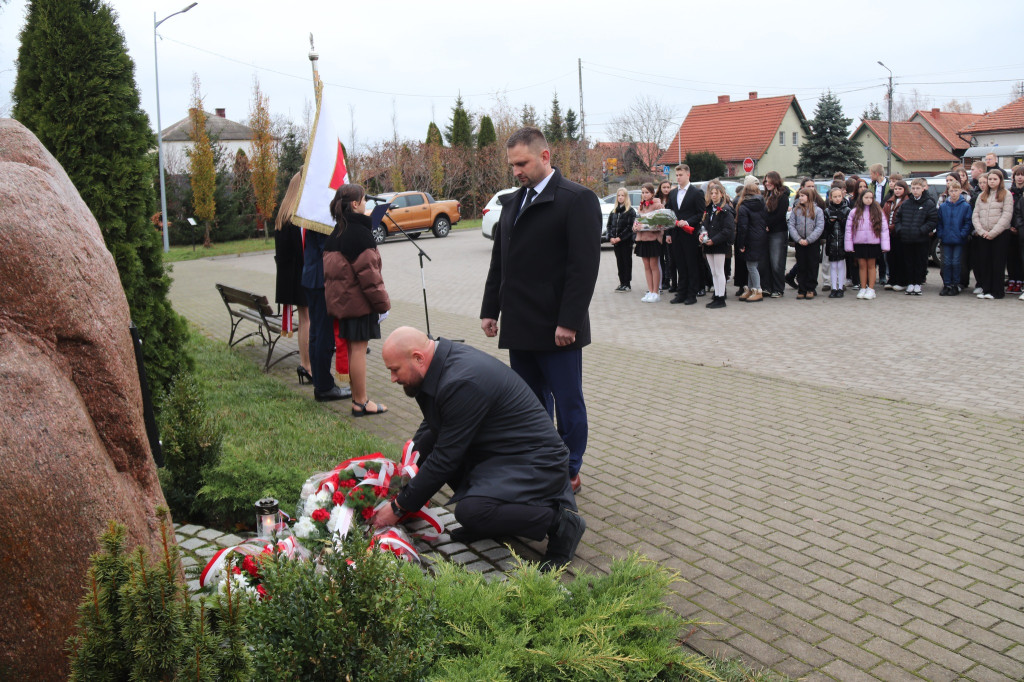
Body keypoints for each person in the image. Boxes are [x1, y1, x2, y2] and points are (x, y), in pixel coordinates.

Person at [373, 327, 585, 571]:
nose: (392, 378)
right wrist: (407, 468)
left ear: (418, 358)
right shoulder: (439, 365)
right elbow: (435, 426)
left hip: (536, 462)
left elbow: (444, 460)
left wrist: (400, 506)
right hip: (504, 452)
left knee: (471, 511)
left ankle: (561, 523)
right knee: (433, 458)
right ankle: (492, 521)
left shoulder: (460, 381)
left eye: (394, 370)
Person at [480, 127, 601, 493]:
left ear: (544, 156)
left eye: (522, 163)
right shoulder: (512, 203)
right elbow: (500, 262)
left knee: (567, 403)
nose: (516, 171)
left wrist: (569, 322)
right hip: (520, 325)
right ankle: (538, 460)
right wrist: (491, 309)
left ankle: (570, 468)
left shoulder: (576, 199)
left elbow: (584, 268)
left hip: (557, 326)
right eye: (512, 165)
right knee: (529, 404)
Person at [323, 183, 390, 416]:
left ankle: (356, 398)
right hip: (359, 304)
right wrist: (383, 305)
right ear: (354, 204)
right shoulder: (359, 234)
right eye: (363, 199)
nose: (365, 203)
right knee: (359, 351)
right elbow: (370, 276)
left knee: (353, 351)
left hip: (343, 304)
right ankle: (361, 402)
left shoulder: (336, 232)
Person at [302, 202, 352, 403]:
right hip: (320, 281)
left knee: (317, 334)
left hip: (312, 278)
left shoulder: (313, 211)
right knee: (323, 336)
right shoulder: (320, 216)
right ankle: (324, 386)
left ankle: (320, 383)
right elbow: (329, 248)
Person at [274, 172, 312, 385]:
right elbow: (302, 252)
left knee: (305, 320)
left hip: (289, 278)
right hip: (300, 277)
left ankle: (305, 363)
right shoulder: (296, 219)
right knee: (307, 321)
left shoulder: (282, 216)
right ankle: (307, 365)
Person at [664, 164, 706, 305]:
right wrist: (668, 233)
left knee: (691, 264)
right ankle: (681, 293)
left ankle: (691, 294)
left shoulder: (696, 193)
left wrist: (687, 221)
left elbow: (700, 214)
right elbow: (669, 214)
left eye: (680, 175)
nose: (678, 178)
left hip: (690, 234)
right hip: (676, 234)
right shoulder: (673, 193)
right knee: (679, 264)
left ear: (688, 175)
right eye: (676, 175)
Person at [891, 178, 937, 296]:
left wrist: (921, 230)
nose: (915, 191)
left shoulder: (928, 203)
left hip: (921, 239)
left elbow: (932, 220)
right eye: (913, 188)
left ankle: (918, 283)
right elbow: (898, 218)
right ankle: (910, 283)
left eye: (918, 188)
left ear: (923, 189)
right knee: (908, 261)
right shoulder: (906, 203)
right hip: (906, 239)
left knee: (920, 262)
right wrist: (901, 230)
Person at [972, 170, 1014, 299]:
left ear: (1000, 180)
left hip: (1000, 235)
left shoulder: (1006, 194)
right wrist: (981, 231)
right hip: (984, 234)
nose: (992, 181)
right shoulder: (982, 195)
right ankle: (986, 289)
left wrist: (994, 232)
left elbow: (1007, 215)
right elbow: (975, 215)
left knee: (997, 263)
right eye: (990, 179)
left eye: (995, 179)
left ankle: (997, 291)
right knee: (984, 262)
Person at [845, 190, 889, 300]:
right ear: (861, 198)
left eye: (871, 197)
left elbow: (884, 229)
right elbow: (849, 230)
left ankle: (871, 289)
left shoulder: (878, 211)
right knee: (862, 266)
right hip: (859, 243)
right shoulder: (854, 212)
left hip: (873, 243)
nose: (869, 199)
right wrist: (849, 246)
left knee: (871, 266)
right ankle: (863, 287)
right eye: (866, 197)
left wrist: (885, 246)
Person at [700, 180, 735, 309]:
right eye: (712, 193)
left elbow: (728, 230)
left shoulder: (726, 210)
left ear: (722, 194)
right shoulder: (709, 209)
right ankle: (717, 295)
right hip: (709, 244)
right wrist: (702, 234)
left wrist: (714, 240)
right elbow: (704, 224)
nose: (713, 195)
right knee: (713, 271)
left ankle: (721, 297)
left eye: (716, 193)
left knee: (720, 271)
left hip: (719, 245)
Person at [935, 179, 972, 296]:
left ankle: (955, 285)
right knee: (945, 263)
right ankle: (947, 284)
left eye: (956, 191)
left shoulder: (965, 206)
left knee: (956, 262)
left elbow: (968, 222)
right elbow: (939, 222)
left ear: (960, 191)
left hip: (959, 240)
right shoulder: (944, 206)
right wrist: (940, 234)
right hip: (946, 239)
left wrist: (962, 234)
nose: (954, 193)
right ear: (948, 192)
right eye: (951, 191)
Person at [734, 176, 767, 302]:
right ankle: (750, 289)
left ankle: (757, 289)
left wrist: (741, 244)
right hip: (760, 236)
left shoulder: (743, 206)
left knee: (752, 266)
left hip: (749, 238)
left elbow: (743, 227)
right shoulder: (762, 203)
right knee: (751, 265)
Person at [788, 187, 825, 299]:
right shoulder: (796, 210)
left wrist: (809, 240)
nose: (800, 198)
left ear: (809, 197)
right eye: (800, 196)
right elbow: (791, 225)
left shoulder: (818, 210)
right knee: (801, 265)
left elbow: (819, 226)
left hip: (812, 243)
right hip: (800, 242)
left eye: (803, 196)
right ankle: (802, 288)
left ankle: (811, 288)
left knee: (812, 265)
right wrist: (799, 239)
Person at [633, 183, 665, 302]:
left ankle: (656, 292)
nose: (644, 195)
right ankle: (650, 291)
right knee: (646, 266)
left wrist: (645, 226)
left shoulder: (658, 206)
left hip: (653, 239)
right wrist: (635, 227)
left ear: (652, 193)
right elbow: (636, 221)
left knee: (653, 265)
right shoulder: (641, 207)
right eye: (642, 192)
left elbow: (661, 224)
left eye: (647, 192)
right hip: (642, 239)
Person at [761, 171, 791, 298]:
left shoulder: (783, 196)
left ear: (775, 181)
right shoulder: (765, 195)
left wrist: (768, 225)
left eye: (769, 181)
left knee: (776, 262)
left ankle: (778, 288)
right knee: (765, 262)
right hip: (766, 232)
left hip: (777, 232)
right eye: (766, 181)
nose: (767, 183)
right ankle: (767, 287)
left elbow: (779, 215)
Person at [823, 186, 851, 298]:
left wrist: (841, 220)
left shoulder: (847, 210)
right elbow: (826, 229)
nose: (837, 199)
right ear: (831, 198)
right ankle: (833, 287)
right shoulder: (827, 211)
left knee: (841, 265)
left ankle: (841, 287)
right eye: (835, 197)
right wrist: (830, 222)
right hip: (832, 242)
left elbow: (849, 228)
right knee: (833, 265)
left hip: (843, 241)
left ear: (842, 196)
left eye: (839, 196)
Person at [882, 181, 910, 291]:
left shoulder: (907, 201)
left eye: (900, 189)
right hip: (889, 234)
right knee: (890, 258)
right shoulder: (889, 201)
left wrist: (893, 227)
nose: (897, 191)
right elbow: (884, 214)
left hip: (900, 234)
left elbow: (903, 219)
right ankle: (892, 279)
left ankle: (901, 281)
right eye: (896, 189)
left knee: (900, 258)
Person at [607, 188, 636, 292]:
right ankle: (621, 282)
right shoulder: (614, 211)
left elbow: (630, 228)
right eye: (619, 195)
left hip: (625, 242)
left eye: (622, 195)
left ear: (626, 197)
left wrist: (620, 238)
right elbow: (609, 225)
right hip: (616, 243)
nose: (620, 197)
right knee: (619, 263)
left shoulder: (630, 211)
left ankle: (627, 284)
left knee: (626, 262)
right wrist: (610, 237)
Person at [655, 179, 676, 292]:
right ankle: (662, 279)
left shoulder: (672, 198)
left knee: (669, 257)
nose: (666, 189)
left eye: (668, 187)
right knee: (660, 257)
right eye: (664, 187)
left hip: (669, 231)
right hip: (658, 231)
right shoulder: (657, 199)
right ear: (660, 188)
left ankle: (668, 279)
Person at [1011, 165, 1024, 300]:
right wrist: (1012, 226)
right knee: (1012, 257)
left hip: (1021, 230)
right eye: (1017, 175)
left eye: (1022, 175)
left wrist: (1019, 227)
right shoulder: (1010, 192)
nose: (1020, 177)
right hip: (1012, 229)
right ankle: (1013, 280)